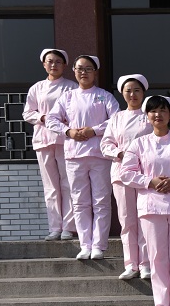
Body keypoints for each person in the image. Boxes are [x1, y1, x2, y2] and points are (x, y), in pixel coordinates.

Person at [120, 96, 170, 306]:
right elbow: (125, 173)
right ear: (147, 116)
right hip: (150, 208)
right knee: (157, 259)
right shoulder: (138, 144)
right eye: (153, 111)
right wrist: (150, 181)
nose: (158, 115)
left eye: (162, 110)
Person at [44, 54, 119, 260]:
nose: (83, 72)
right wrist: (68, 131)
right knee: (79, 202)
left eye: (88, 69)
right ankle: (85, 245)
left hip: (99, 155)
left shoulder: (104, 96)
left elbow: (116, 120)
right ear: (74, 72)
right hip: (74, 155)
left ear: (95, 72)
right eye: (79, 69)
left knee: (101, 201)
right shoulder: (67, 97)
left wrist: (94, 130)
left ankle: (99, 245)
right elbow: (51, 120)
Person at [101, 74, 153, 280]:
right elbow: (105, 144)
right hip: (121, 173)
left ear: (144, 93)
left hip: (146, 175)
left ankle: (146, 264)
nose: (132, 94)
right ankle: (131, 264)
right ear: (122, 94)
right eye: (128, 91)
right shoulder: (117, 118)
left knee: (145, 219)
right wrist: (120, 153)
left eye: (137, 90)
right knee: (127, 221)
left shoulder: (149, 116)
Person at [23, 48, 76, 241]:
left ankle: (68, 227)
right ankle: (55, 227)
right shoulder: (36, 88)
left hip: (65, 140)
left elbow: (76, 112)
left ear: (65, 65)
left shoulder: (71, 87)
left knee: (67, 183)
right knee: (50, 186)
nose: (54, 65)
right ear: (44, 64)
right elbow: (27, 113)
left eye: (58, 62)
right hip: (43, 140)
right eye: (50, 61)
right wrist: (43, 118)